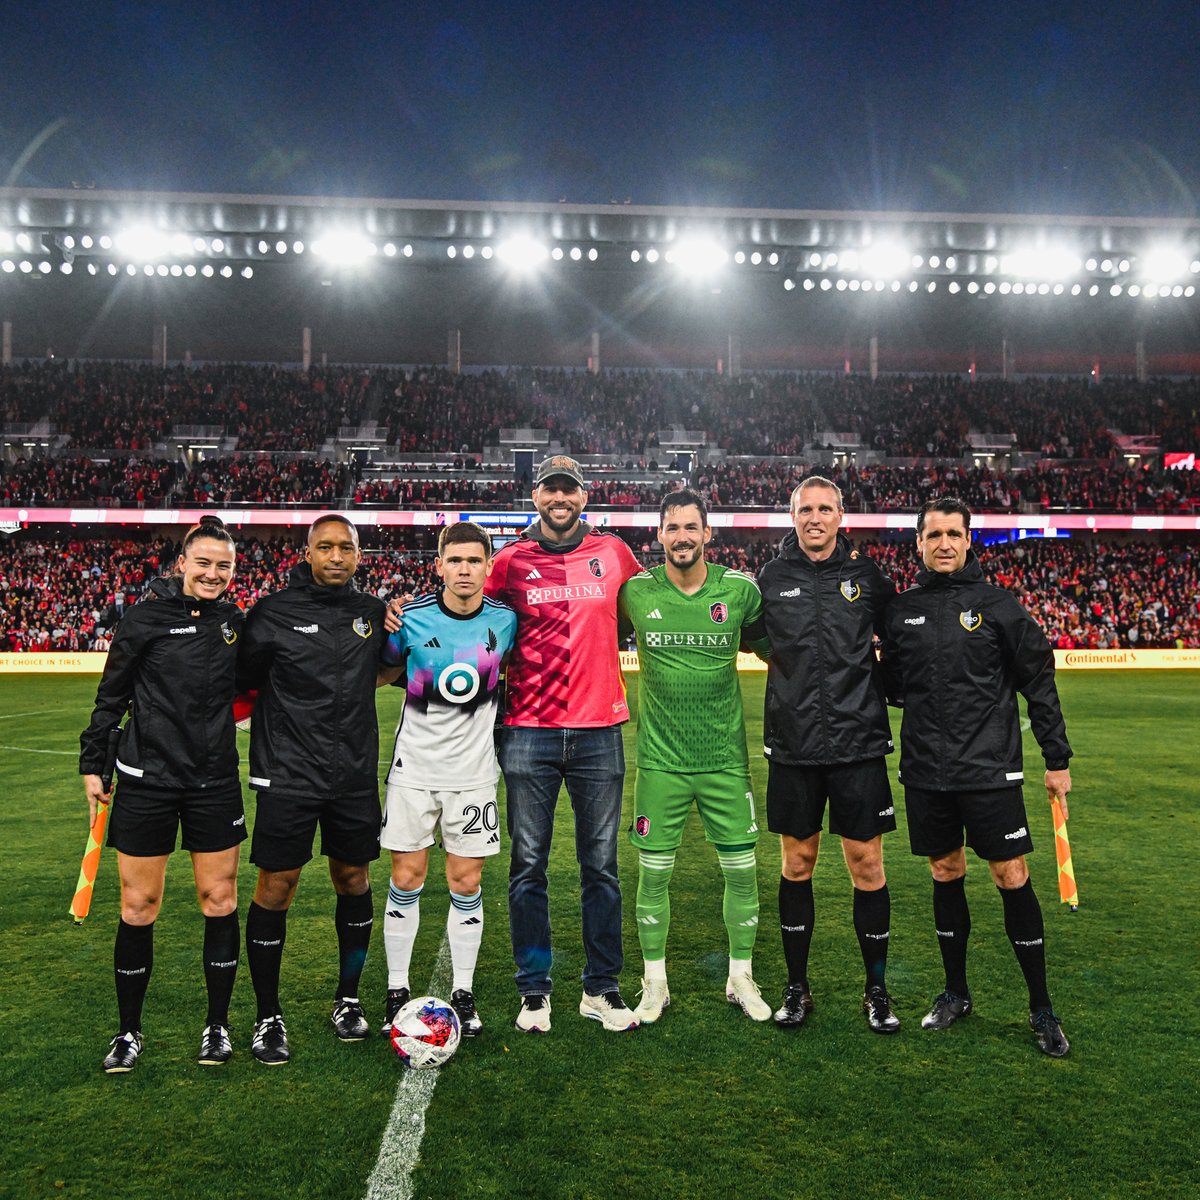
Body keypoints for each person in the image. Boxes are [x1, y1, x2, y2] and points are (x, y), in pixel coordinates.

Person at [881, 497, 1073, 1057]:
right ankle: (955, 994)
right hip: (926, 771)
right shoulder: (902, 609)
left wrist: (1056, 760)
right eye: (933, 534)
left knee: (1011, 875)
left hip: (990, 770)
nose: (943, 543)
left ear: (969, 542)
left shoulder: (1000, 607)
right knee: (945, 871)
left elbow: (1038, 682)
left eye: (953, 534)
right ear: (918, 544)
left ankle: (1041, 1007)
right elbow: (893, 683)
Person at [80, 516, 245, 1073]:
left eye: (224, 565)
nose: (213, 573)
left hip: (214, 781)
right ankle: (128, 1032)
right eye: (203, 563)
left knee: (219, 902)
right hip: (147, 781)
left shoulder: (235, 624)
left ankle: (217, 1027)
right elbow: (111, 697)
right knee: (138, 906)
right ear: (182, 564)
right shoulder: (144, 619)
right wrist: (93, 763)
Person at [486, 455, 643, 1033]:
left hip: (601, 730)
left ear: (583, 497)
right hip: (529, 730)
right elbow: (469, 612)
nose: (560, 498)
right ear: (535, 496)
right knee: (528, 867)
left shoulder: (615, 555)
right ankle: (534, 990)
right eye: (550, 488)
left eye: (569, 490)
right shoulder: (507, 563)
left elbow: (654, 607)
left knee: (600, 867)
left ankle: (601, 989)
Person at [237, 514, 388, 1065]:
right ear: (307, 554)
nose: (335, 556)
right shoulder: (273, 613)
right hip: (288, 773)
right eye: (324, 547)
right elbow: (243, 676)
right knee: (278, 885)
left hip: (351, 774)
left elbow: (390, 667)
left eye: (345, 547)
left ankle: (348, 999)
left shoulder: (372, 613)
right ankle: (267, 1015)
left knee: (353, 878)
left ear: (358, 555)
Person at [619, 489, 773, 1024]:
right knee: (654, 876)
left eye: (691, 527)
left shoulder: (740, 593)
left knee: (742, 873)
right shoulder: (634, 593)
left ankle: (740, 976)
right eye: (671, 527)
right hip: (660, 763)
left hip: (725, 761)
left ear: (708, 534)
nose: (681, 536)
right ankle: (654, 984)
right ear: (658, 535)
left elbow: (776, 645)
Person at [757, 476, 901, 1033]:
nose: (814, 518)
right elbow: (746, 638)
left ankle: (877, 990)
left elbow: (904, 640)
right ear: (791, 516)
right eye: (804, 509)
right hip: (794, 748)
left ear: (842, 515)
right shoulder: (772, 578)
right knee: (798, 864)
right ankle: (797, 987)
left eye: (825, 509)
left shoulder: (867, 578)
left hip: (858, 745)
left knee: (867, 866)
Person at [378, 521, 517, 1038]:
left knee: (467, 882)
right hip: (413, 771)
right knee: (406, 878)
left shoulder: (505, 622)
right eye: (454, 560)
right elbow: (383, 672)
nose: (464, 569)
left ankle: (463, 990)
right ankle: (396, 988)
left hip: (475, 775)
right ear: (439, 565)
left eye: (473, 561)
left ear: (487, 567)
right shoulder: (409, 620)